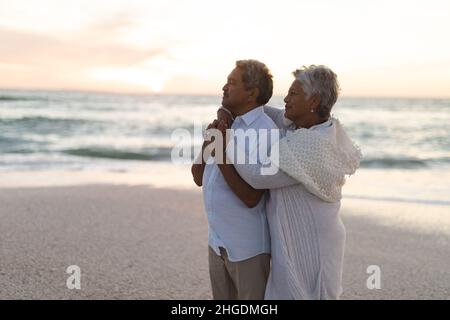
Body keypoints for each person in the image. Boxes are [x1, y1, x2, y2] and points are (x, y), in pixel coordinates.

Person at [215, 65, 362, 299]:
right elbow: (258, 111)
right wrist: (227, 110)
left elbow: (256, 175)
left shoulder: (313, 145)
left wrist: (225, 141)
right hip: (292, 241)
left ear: (313, 100)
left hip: (313, 244)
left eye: (293, 94)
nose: (285, 98)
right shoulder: (300, 126)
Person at [191, 59, 278, 300]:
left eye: (232, 82)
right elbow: (198, 177)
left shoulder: (266, 132)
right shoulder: (226, 125)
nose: (224, 87)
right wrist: (209, 143)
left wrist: (220, 154)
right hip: (216, 243)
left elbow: (252, 197)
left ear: (252, 92)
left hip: (247, 249)